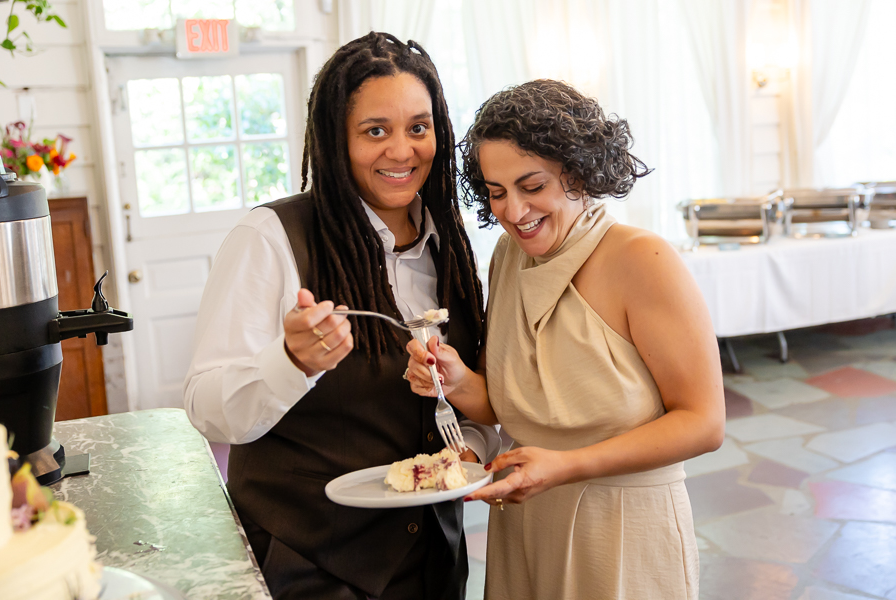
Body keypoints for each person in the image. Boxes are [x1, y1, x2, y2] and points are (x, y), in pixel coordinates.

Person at [184, 32, 501, 600]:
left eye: (418, 128)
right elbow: (208, 410)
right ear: (336, 138)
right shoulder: (270, 238)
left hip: (433, 561)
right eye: (375, 130)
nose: (402, 151)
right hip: (306, 565)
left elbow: (476, 396)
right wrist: (291, 363)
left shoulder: (450, 247)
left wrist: (472, 449)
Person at [405, 80, 726, 599]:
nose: (513, 211)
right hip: (526, 525)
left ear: (579, 172)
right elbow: (511, 405)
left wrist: (566, 466)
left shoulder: (643, 260)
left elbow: (704, 423)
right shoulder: (508, 258)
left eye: (532, 186)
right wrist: (458, 379)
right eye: (496, 191)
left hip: (622, 529)